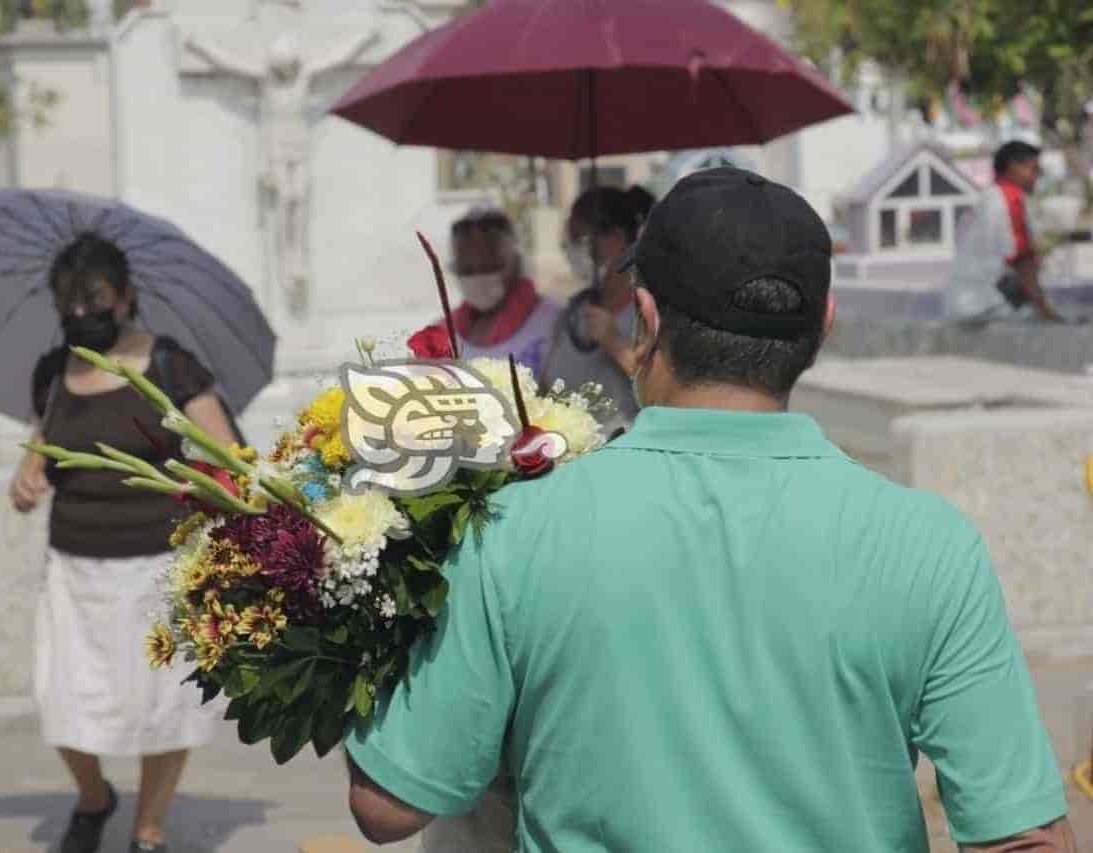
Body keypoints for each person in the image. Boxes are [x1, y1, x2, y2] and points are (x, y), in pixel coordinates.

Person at [343, 169, 1074, 852]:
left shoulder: (517, 529)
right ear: (823, 325)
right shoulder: (930, 546)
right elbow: (1022, 834)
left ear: (647, 317)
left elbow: (389, 805)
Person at [9, 233, 240, 853]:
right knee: (62, 699)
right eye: (68, 302)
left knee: (164, 705)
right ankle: (94, 797)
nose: (81, 314)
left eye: (95, 298)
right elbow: (37, 459)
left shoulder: (171, 366)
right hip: (74, 570)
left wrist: (208, 488)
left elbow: (228, 460)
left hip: (158, 568)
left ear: (126, 294)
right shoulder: (53, 374)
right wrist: (27, 481)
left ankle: (149, 827)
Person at [542, 185, 653, 436]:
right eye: (568, 242)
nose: (571, 251)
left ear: (616, 239)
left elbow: (667, 398)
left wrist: (617, 346)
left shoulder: (649, 313)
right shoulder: (571, 314)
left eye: (579, 239)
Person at [412, 207, 560, 375]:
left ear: (515, 262)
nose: (478, 276)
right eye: (467, 268)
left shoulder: (554, 323)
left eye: (489, 266)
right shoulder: (440, 334)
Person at [947, 140, 1063, 323]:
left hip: (960, 301)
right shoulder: (1008, 199)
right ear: (1013, 168)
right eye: (1033, 170)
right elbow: (1023, 264)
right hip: (980, 305)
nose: (1037, 177)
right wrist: (1048, 313)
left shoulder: (989, 196)